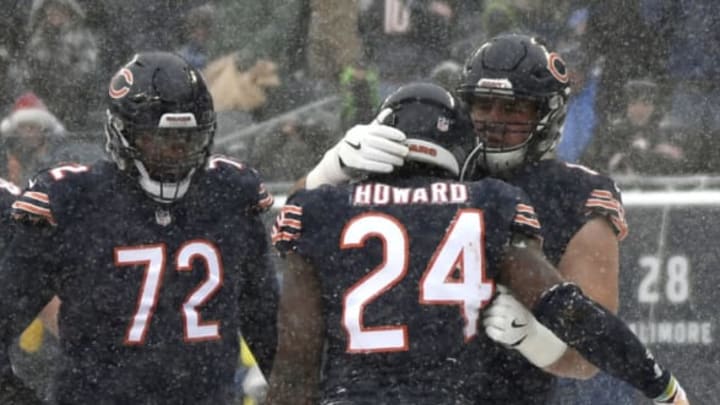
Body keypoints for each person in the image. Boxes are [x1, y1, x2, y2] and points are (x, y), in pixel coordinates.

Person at [290, 35, 688, 405]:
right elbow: (297, 225)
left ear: (545, 114)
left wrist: (537, 341)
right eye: (482, 104)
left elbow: (589, 346)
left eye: (514, 108)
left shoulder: (576, 194)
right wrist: (330, 168)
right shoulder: (430, 164)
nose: (493, 120)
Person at [0, 51, 279, 404]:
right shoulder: (71, 200)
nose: (176, 153)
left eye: (188, 139)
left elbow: (270, 332)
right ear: (122, 132)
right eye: (160, 140)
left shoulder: (229, 193)